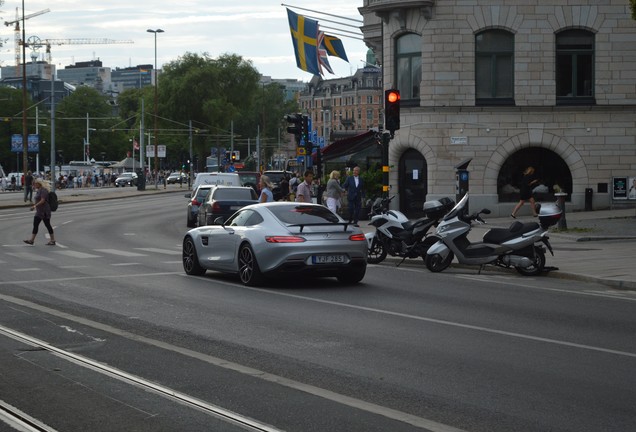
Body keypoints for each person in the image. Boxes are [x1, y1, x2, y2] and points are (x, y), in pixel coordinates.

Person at [23, 178, 56, 246]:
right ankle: (31, 240)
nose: (34, 185)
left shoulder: (44, 190)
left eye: (35, 183)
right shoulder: (39, 190)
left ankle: (52, 240)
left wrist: (34, 206)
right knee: (36, 224)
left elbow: (42, 200)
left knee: (47, 225)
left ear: (39, 184)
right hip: (40, 211)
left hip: (44, 212)